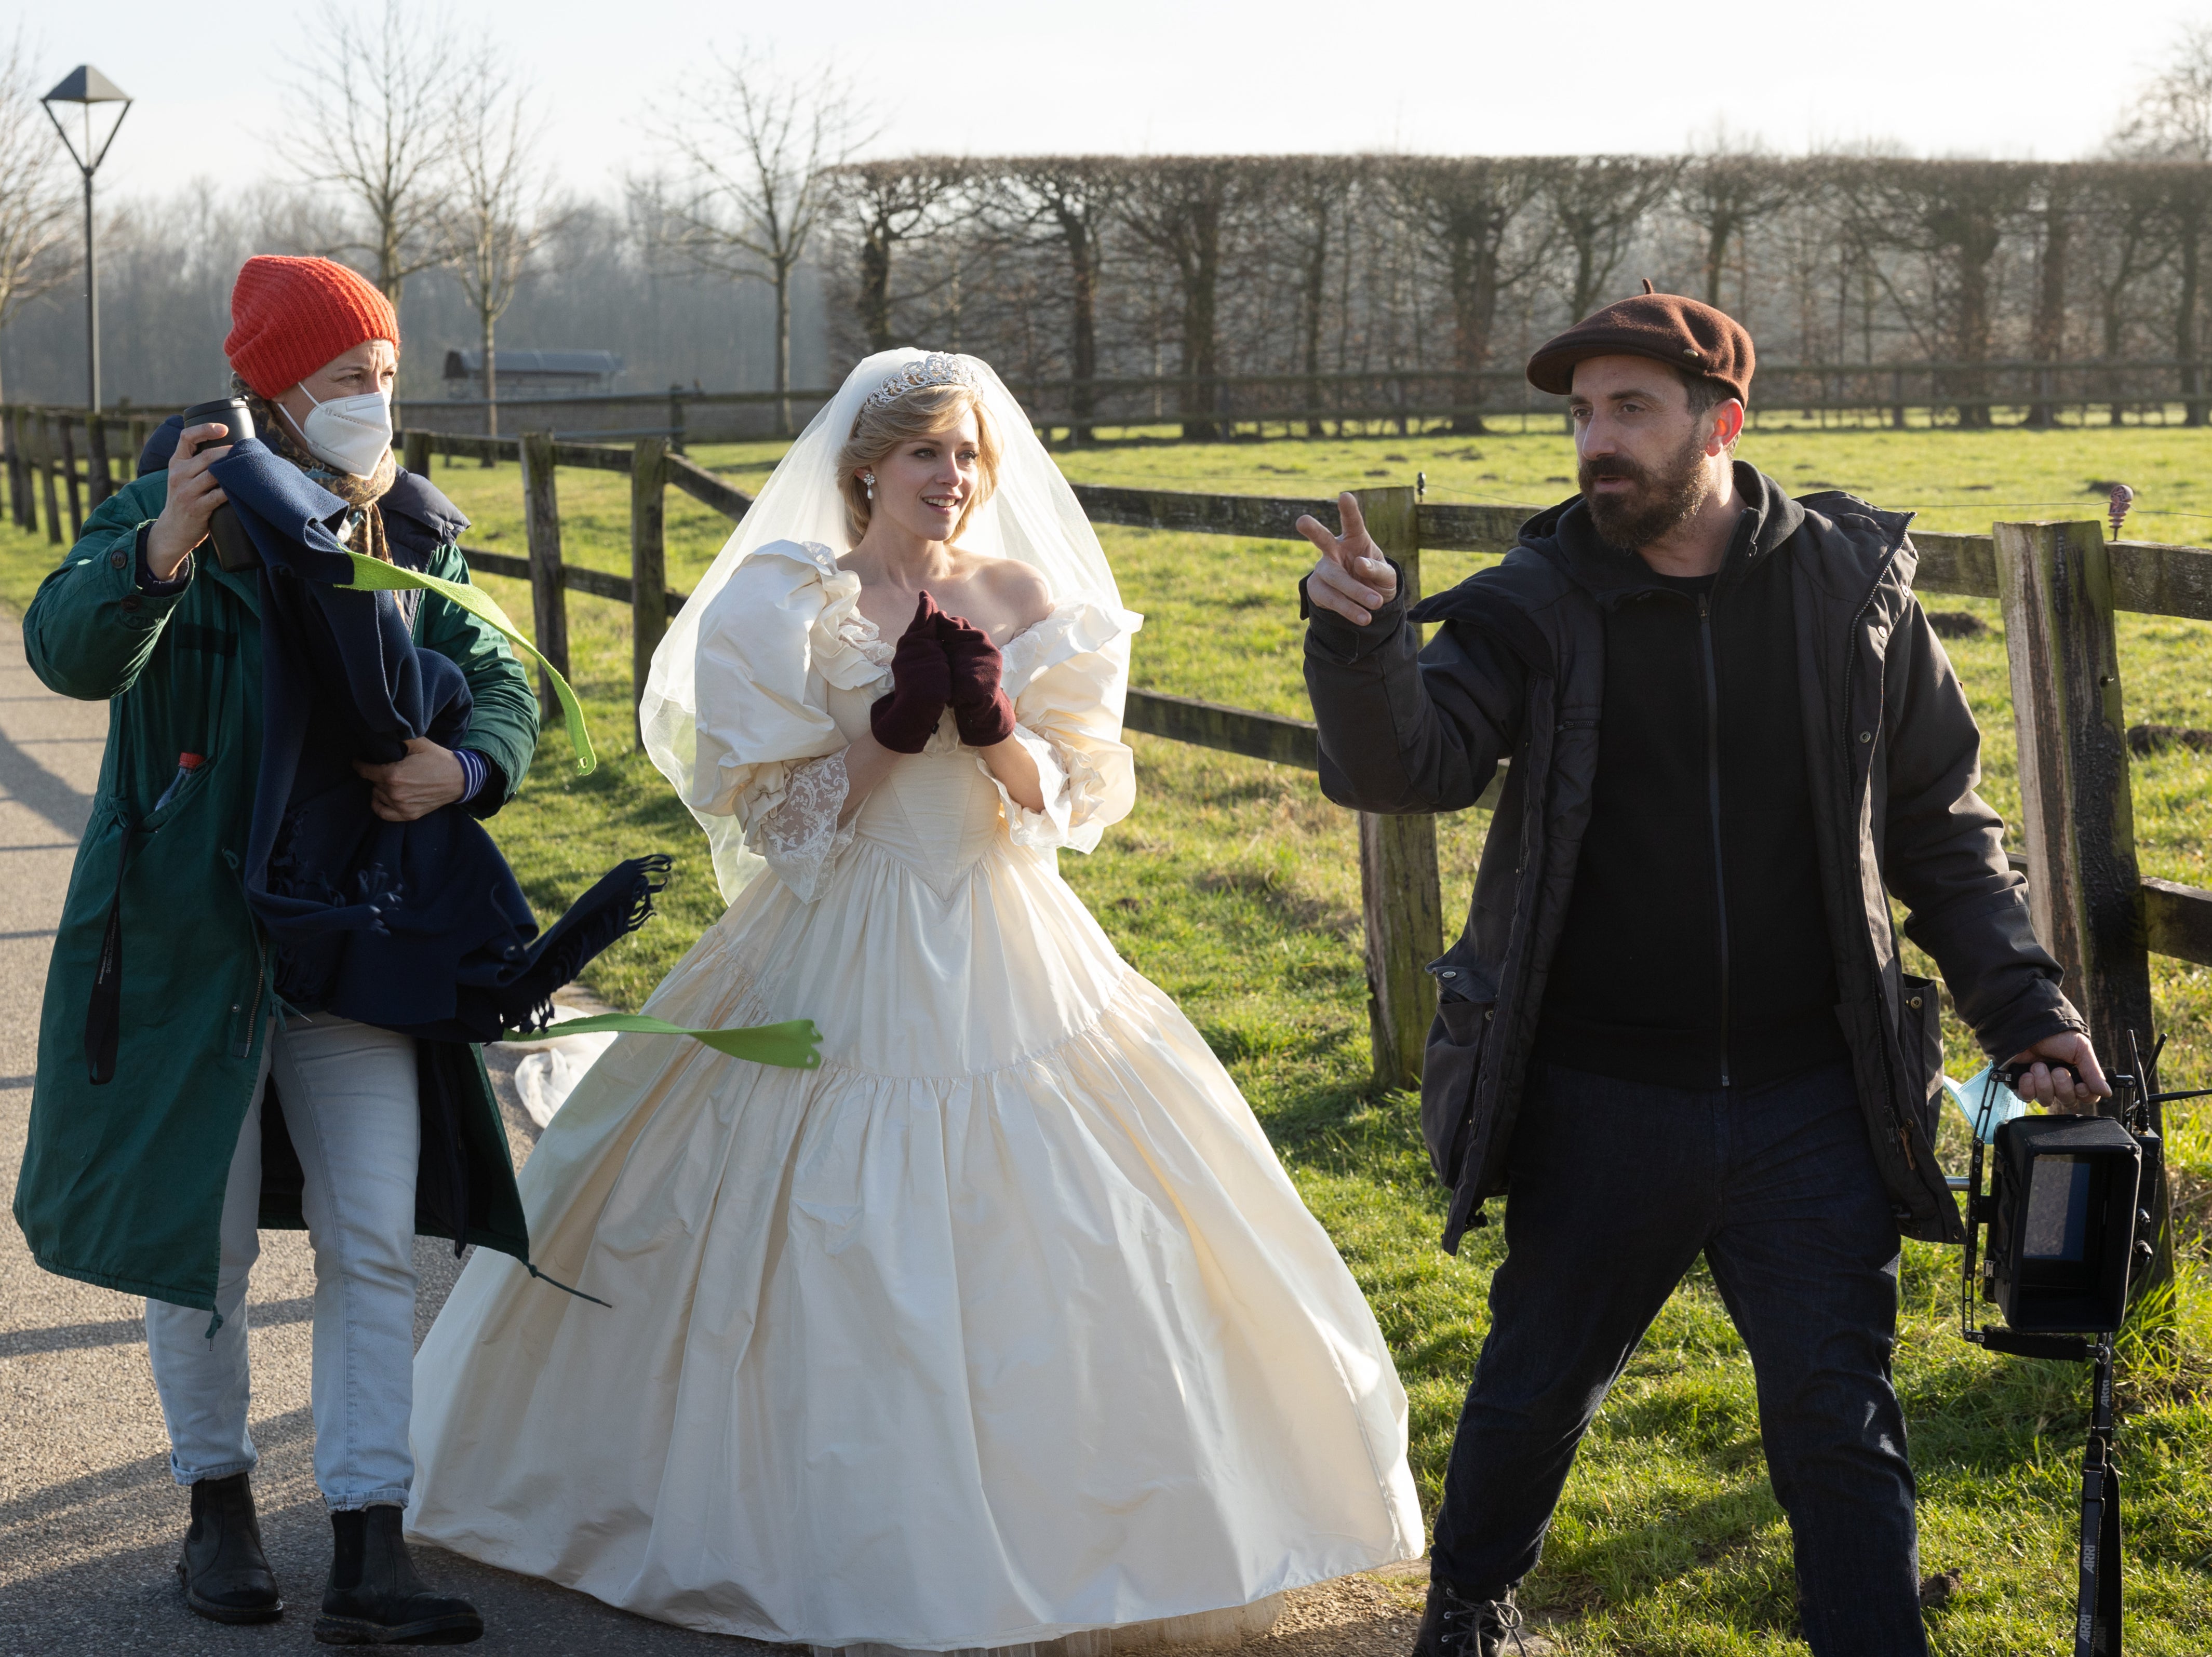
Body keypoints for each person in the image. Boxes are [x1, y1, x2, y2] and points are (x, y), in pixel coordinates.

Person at [405, 348, 1424, 1649]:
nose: (955, 478)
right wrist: (884, 732)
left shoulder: (1018, 592)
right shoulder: (787, 601)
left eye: (971, 456)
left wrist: (994, 724)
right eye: (930, 453)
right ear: (866, 468)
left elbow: (1073, 797)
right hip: (836, 931)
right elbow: (779, 824)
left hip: (1005, 933)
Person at [1296, 287, 2108, 1657]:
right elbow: (1407, 769)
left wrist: (2023, 1011)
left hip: (1813, 1098)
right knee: (1530, 1389)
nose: (1592, 443)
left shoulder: (1851, 594)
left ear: (1721, 424)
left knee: (1834, 1416)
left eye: (1628, 410)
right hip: (1598, 1094)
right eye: (1577, 415)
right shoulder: (1533, 602)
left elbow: (1936, 828)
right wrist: (1367, 643)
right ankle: (1469, 1607)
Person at [14, 254, 542, 1645]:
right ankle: (218, 1514)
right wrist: (159, 551)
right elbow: (67, 652)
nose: (378, 402)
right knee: (204, 1245)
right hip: (196, 945)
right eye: (346, 381)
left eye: (386, 374)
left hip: (360, 940)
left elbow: (500, 678)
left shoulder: (415, 532)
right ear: (277, 393)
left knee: (374, 1241)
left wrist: (468, 768)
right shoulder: (173, 504)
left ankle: (372, 1544)